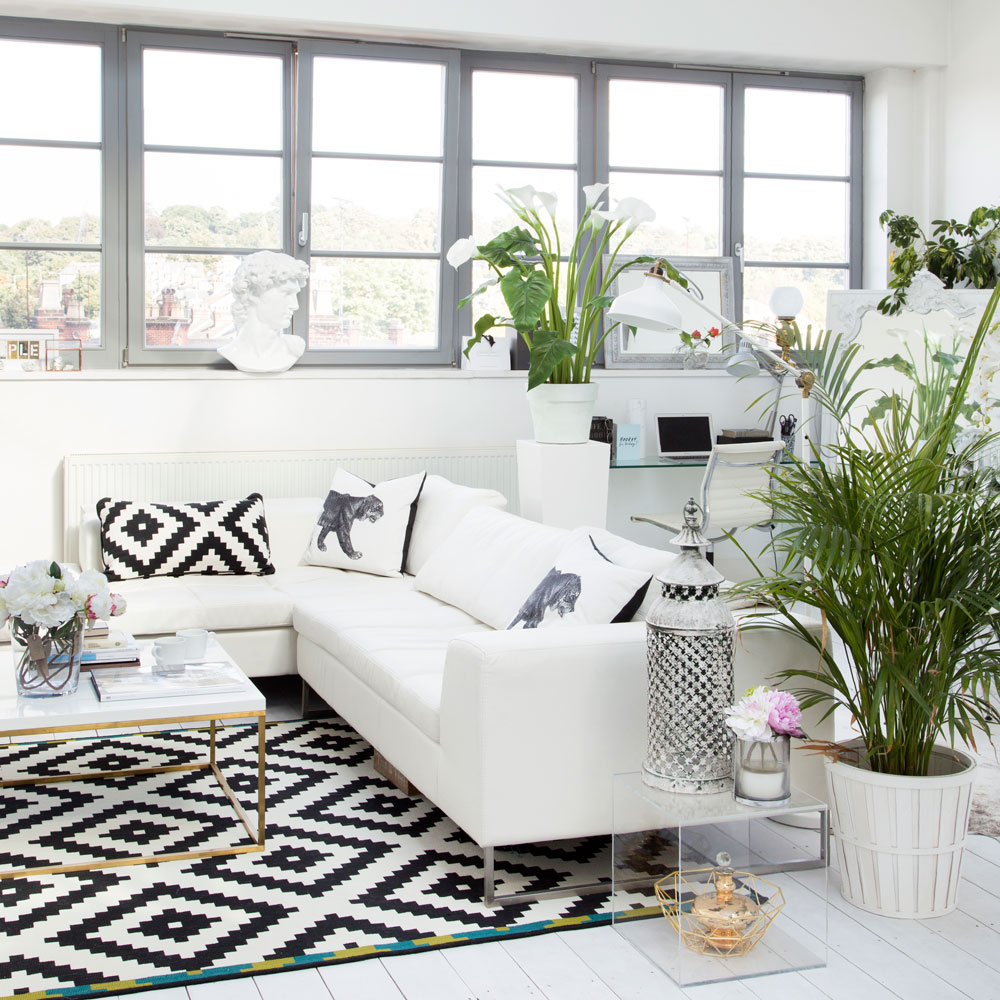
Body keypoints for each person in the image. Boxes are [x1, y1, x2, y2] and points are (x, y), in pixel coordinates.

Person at [218, 251, 310, 373]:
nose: (295, 305)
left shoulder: (293, 349)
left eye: (295, 295)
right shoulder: (231, 352)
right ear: (253, 293)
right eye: (286, 293)